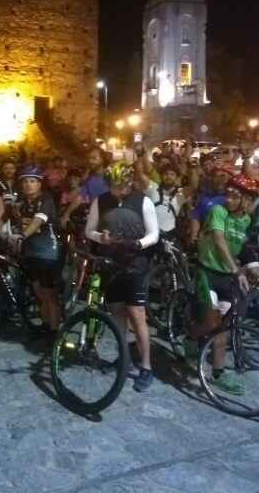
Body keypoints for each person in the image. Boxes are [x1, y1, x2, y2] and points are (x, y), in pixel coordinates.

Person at [84, 161, 159, 392]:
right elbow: (89, 230)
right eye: (114, 187)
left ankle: (146, 367)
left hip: (135, 263)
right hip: (112, 263)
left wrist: (138, 243)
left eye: (122, 187)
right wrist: (101, 238)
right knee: (117, 313)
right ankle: (123, 358)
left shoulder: (143, 201)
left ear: (130, 184)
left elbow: (154, 234)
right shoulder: (101, 200)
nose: (117, 191)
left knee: (137, 314)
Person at [185, 174, 259, 395]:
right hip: (207, 271)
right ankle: (189, 338)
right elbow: (218, 239)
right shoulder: (218, 211)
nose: (229, 200)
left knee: (224, 327)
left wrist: (245, 268)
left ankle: (218, 374)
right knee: (213, 318)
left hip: (226, 276)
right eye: (228, 194)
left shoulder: (245, 220)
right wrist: (237, 270)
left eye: (236, 196)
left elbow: (238, 245)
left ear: (246, 200)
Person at [12, 167, 62, 336]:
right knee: (39, 293)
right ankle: (46, 325)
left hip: (48, 253)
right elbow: (21, 223)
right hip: (32, 253)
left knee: (49, 295)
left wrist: (20, 236)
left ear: (40, 184)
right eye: (25, 181)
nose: (28, 185)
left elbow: (35, 223)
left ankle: (55, 333)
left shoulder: (45, 201)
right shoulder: (23, 203)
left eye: (32, 181)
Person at [136, 155, 195, 239]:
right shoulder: (152, 188)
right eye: (166, 174)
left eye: (172, 174)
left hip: (170, 238)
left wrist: (192, 167)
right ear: (161, 176)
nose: (168, 176)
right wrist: (139, 155)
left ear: (176, 178)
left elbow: (194, 185)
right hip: (150, 236)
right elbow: (140, 174)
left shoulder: (180, 194)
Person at [60, 146, 108, 228]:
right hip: (96, 221)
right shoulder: (90, 180)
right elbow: (78, 198)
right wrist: (66, 214)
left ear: (102, 159)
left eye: (94, 158)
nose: (90, 161)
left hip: (110, 219)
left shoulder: (110, 177)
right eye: (89, 158)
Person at [189, 162, 234, 243]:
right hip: (206, 242)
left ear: (230, 177)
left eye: (222, 176)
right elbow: (196, 217)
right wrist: (194, 236)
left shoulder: (235, 198)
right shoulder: (205, 196)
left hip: (228, 242)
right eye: (215, 176)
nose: (218, 179)